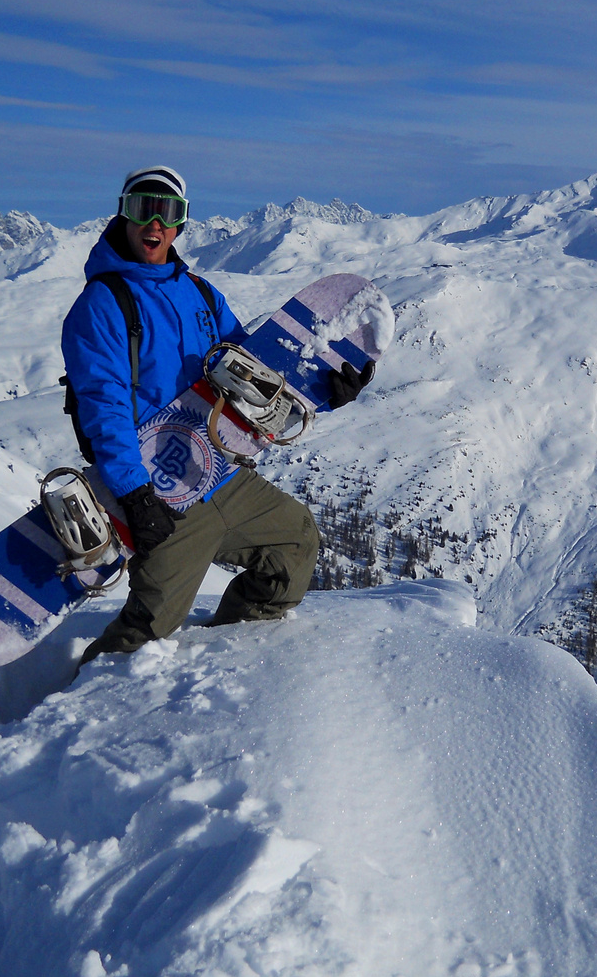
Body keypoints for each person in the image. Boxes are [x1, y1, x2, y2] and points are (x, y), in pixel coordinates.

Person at [63, 166, 373, 665]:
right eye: (144, 207)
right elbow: (105, 406)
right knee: (146, 634)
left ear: (182, 224)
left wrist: (325, 388)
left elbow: (254, 373)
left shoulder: (202, 294)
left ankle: (227, 655)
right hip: (161, 491)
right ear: (123, 211)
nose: (155, 223)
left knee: (294, 544)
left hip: (222, 471)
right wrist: (136, 495)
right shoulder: (101, 304)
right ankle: (72, 709)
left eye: (170, 212)